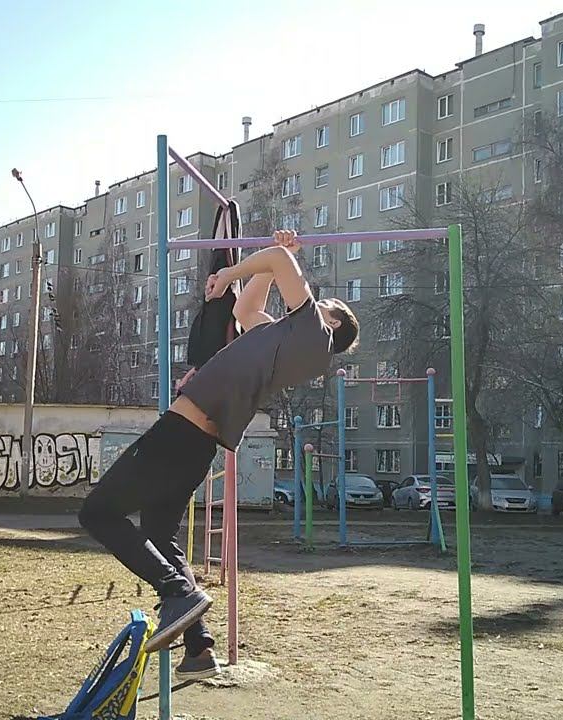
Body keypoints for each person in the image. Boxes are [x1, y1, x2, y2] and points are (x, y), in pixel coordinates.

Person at [78, 229, 359, 680]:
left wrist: (233, 271)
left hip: (180, 435)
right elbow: (244, 310)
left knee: (97, 513)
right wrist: (273, 264)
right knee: (158, 534)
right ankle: (198, 649)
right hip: (193, 442)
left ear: (335, 323)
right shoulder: (282, 337)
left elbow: (274, 260)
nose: (316, 300)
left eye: (324, 303)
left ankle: (177, 592)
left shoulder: (314, 334)